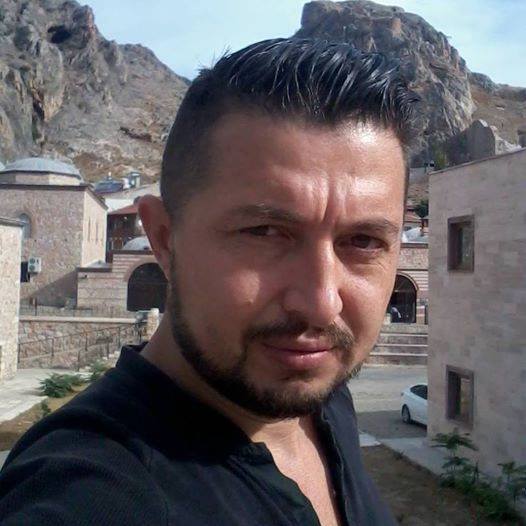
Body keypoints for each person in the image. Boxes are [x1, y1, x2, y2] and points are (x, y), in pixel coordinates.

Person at [0, 38, 418, 525]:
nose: (321, 304)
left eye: (364, 241)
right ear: (164, 238)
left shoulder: (323, 399)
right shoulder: (94, 490)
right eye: (264, 232)